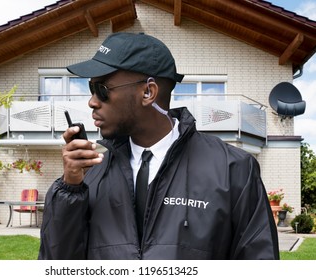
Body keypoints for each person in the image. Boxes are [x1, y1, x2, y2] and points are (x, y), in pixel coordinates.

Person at [38, 32, 279, 260]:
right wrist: (70, 189)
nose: (92, 102)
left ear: (148, 93)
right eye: (91, 89)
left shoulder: (233, 169)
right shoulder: (89, 176)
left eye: (102, 90)